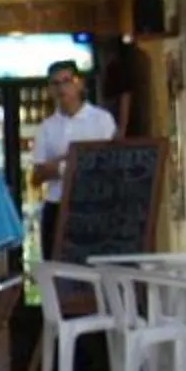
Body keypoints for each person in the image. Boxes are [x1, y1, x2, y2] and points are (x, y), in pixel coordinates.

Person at [30, 59, 118, 264]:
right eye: (55, 83)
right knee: (57, 265)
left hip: (94, 203)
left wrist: (72, 160)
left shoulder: (101, 120)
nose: (62, 88)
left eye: (67, 81)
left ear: (79, 84)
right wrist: (65, 162)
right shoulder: (46, 128)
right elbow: (37, 175)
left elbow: (109, 160)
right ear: (50, 89)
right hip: (58, 205)